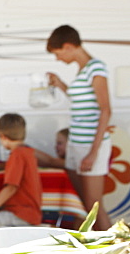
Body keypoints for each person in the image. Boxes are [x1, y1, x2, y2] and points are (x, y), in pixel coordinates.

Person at [46, 25, 113, 229]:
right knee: (83, 204)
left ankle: (122, 250)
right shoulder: (82, 70)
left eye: (58, 54)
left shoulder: (96, 68)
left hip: (90, 146)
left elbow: (105, 110)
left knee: (93, 205)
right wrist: (61, 85)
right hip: (76, 143)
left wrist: (93, 152)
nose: (58, 59)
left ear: (68, 46)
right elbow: (81, 101)